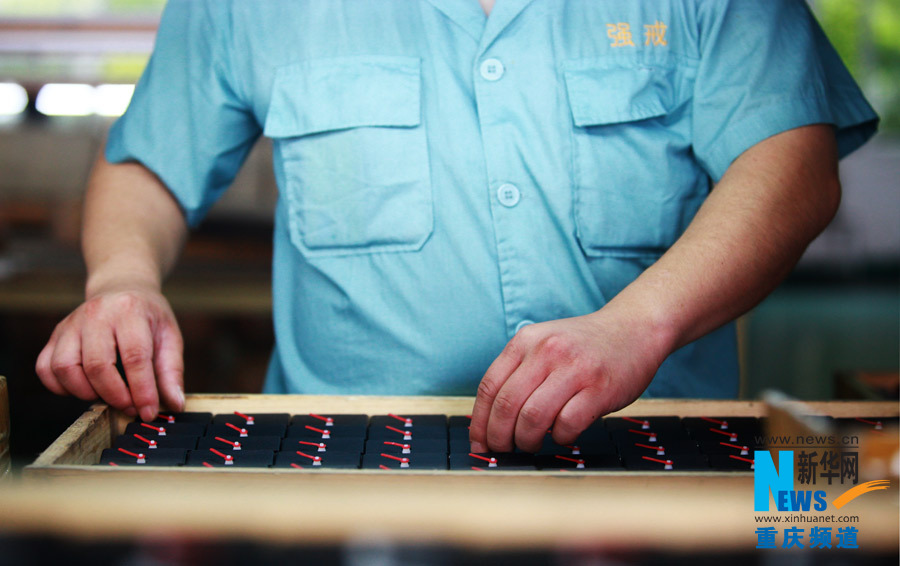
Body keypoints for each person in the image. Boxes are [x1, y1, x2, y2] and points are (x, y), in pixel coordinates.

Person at [36, 0, 877, 454]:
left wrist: (637, 324)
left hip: (656, 459)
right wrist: (122, 282)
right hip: (333, 476)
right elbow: (148, 162)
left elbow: (793, 164)